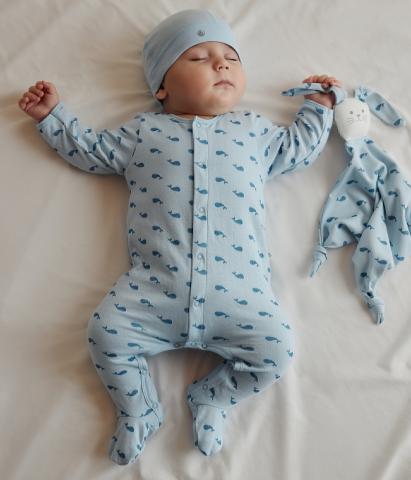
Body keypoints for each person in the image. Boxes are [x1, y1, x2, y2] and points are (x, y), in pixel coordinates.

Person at [18, 9, 342, 466]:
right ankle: (139, 408)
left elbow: (298, 151)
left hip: (241, 296)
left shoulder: (253, 131)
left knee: (276, 351)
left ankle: (213, 396)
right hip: (153, 291)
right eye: (199, 57)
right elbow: (91, 150)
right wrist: (52, 116)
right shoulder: (143, 132)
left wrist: (319, 107)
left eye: (230, 57)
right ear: (161, 87)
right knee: (106, 336)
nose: (221, 64)